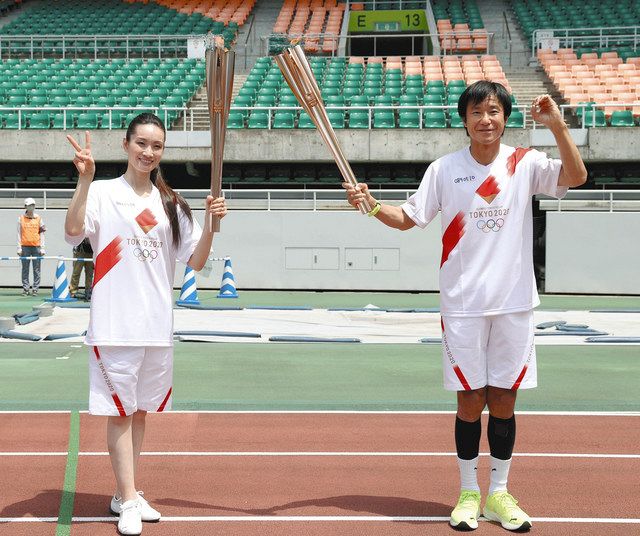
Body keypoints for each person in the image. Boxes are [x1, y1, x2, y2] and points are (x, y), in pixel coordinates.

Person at [343, 81, 586, 532]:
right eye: (477, 112)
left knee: (505, 399)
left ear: (505, 118)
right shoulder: (444, 169)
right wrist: (372, 206)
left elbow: (575, 176)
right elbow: (408, 218)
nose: (485, 120)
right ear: (465, 119)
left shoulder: (524, 162)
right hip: (462, 304)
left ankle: (499, 493)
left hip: (513, 302)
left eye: (493, 111)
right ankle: (469, 492)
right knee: (470, 400)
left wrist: (557, 125)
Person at [64, 113, 227, 536]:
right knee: (120, 414)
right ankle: (129, 499)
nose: (148, 152)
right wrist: (84, 179)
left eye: (156, 146)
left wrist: (212, 224)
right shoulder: (103, 192)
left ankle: (126, 494)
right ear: (126, 145)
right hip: (115, 323)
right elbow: (73, 230)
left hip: (155, 325)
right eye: (141, 143)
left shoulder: (171, 203)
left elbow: (195, 261)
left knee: (139, 413)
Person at [17, 197, 46, 296]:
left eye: (33, 205)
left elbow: (42, 234)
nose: (31, 207)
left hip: (36, 247)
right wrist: (19, 247)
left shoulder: (39, 218)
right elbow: (19, 234)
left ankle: (35, 289)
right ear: (25, 206)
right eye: (29, 205)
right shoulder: (20, 218)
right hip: (24, 247)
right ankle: (26, 289)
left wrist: (42, 248)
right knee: (25, 269)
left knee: (37, 269)